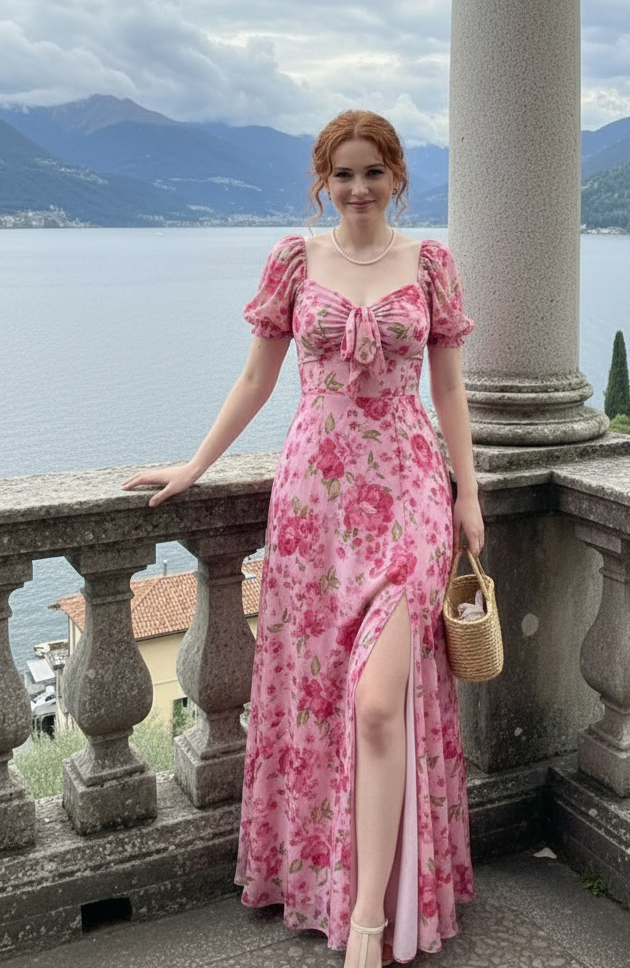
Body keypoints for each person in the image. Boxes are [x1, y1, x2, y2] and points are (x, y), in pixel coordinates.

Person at [123, 109, 483, 968]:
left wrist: (469, 494)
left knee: (380, 703)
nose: (358, 188)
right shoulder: (296, 259)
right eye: (343, 174)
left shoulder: (430, 264)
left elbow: (450, 392)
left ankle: (367, 921)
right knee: (321, 701)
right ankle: (331, 884)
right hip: (313, 507)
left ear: (398, 177)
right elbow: (256, 378)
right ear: (324, 182)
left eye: (373, 172)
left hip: (407, 497)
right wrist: (194, 467)